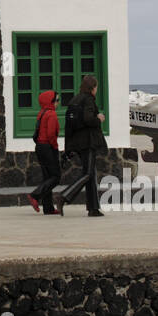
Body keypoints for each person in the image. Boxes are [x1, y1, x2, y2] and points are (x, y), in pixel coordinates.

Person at [55, 75, 107, 217]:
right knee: (89, 173)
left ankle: (93, 208)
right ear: (93, 88)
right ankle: (64, 196)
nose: (96, 90)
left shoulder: (75, 99)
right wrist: (99, 118)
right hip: (88, 141)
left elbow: (69, 125)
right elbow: (88, 119)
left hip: (78, 142)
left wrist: (68, 146)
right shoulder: (88, 99)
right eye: (96, 87)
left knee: (90, 173)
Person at [27, 89, 62, 215]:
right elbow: (51, 135)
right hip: (48, 147)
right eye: (57, 100)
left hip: (40, 147)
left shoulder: (41, 113)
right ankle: (35, 196)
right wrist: (55, 147)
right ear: (50, 102)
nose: (58, 103)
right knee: (56, 177)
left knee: (47, 176)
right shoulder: (51, 114)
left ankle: (48, 208)